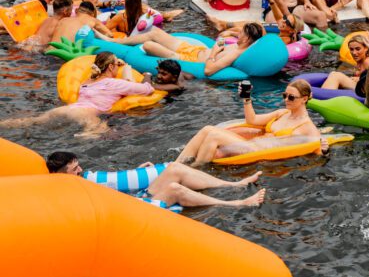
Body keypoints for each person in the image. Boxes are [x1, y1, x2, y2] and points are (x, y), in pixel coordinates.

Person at [176, 79, 326, 165]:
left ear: (304, 99)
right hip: (252, 143)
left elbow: (317, 145)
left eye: (291, 97)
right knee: (207, 129)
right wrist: (246, 98)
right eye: (284, 95)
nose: (286, 100)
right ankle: (177, 163)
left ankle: (193, 169)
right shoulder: (282, 113)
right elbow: (252, 120)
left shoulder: (307, 127)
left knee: (214, 136)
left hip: (257, 150)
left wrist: (323, 147)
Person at [0, 52, 154, 135]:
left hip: (66, 109)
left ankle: (4, 125)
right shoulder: (113, 84)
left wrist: (116, 63)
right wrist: (146, 74)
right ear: (112, 67)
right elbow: (147, 89)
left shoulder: (87, 81)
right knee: (103, 133)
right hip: (85, 114)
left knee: (32, 121)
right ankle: (83, 136)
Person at [47, 151, 264, 209]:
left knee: (175, 168)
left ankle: (235, 184)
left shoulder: (81, 180)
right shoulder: (74, 194)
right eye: (75, 169)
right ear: (60, 175)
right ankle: (236, 204)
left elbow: (113, 186)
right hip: (135, 210)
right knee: (174, 188)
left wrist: (138, 172)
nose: (81, 170)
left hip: (133, 199)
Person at [97, 22, 263, 76]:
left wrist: (213, 52)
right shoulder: (239, 43)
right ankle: (114, 41)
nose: (238, 34)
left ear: (247, 38)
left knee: (148, 46)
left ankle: (113, 43)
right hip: (193, 49)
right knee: (154, 31)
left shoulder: (236, 53)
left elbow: (209, 70)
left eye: (241, 33)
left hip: (188, 59)